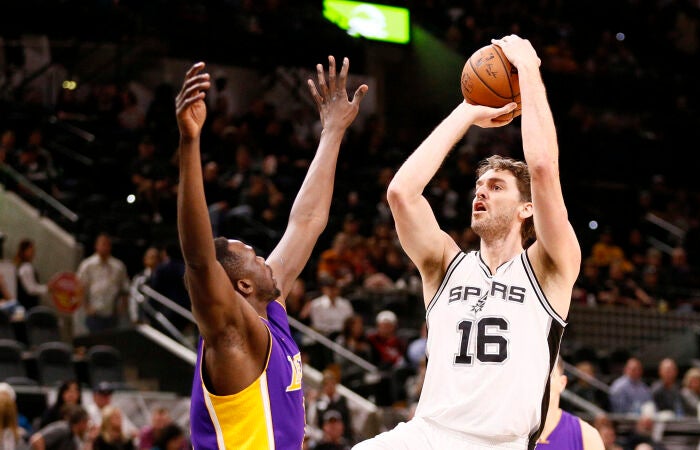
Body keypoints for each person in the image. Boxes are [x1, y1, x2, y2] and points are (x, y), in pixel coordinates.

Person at [354, 34, 581, 449]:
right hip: (428, 434)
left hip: (499, 443)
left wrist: (528, 69)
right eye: (479, 186)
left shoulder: (548, 266)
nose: (481, 193)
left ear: (526, 208)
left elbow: (543, 168)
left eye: (496, 187)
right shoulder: (445, 264)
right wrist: (466, 111)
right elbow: (401, 193)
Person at [175, 57, 366, 450]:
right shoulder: (231, 334)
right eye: (253, 257)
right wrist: (190, 143)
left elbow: (307, 222)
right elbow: (198, 260)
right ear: (241, 286)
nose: (266, 259)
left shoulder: (269, 315)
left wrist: (332, 131)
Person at [535, 357, 603, 449]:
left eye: (548, 375)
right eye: (535, 375)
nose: (541, 382)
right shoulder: (514, 429)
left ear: (562, 383)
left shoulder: (586, 435)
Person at [76, 233, 130, 333]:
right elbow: (80, 287)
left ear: (110, 246)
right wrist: (86, 308)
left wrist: (122, 308)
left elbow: (125, 289)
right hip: (94, 312)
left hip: (112, 313)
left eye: (107, 244)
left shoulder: (118, 266)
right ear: (96, 246)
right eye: (102, 244)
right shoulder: (87, 265)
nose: (104, 247)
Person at [14, 238, 51, 310]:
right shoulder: (26, 267)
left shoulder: (21, 266)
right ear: (24, 251)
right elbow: (31, 289)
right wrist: (47, 288)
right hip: (27, 305)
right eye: (31, 250)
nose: (33, 252)